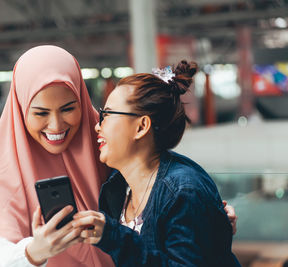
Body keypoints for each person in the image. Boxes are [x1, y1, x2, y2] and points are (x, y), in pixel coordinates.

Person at [0, 46, 237, 267]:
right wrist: (35, 251)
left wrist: (207, 220)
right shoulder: (6, 172)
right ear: (21, 111)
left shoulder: (108, 150)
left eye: (68, 108)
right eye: (40, 113)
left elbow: (168, 198)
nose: (56, 126)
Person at [72, 61, 241, 266]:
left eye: (106, 115)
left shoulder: (183, 190)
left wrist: (114, 236)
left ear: (141, 126)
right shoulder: (119, 184)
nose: (98, 126)